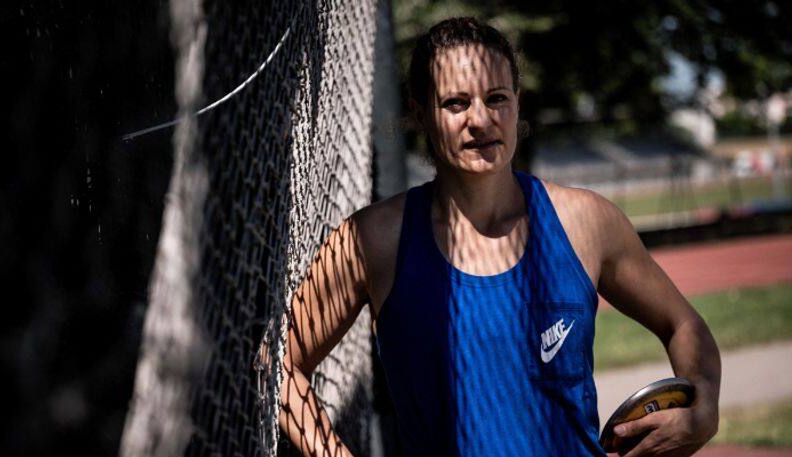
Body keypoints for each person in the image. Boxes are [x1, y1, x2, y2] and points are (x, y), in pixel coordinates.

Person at [279, 17, 720, 457]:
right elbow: (278, 363)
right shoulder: (374, 239)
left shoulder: (585, 221)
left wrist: (703, 407)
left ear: (517, 105)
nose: (481, 120)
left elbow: (683, 324)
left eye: (496, 99)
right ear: (420, 114)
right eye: (455, 103)